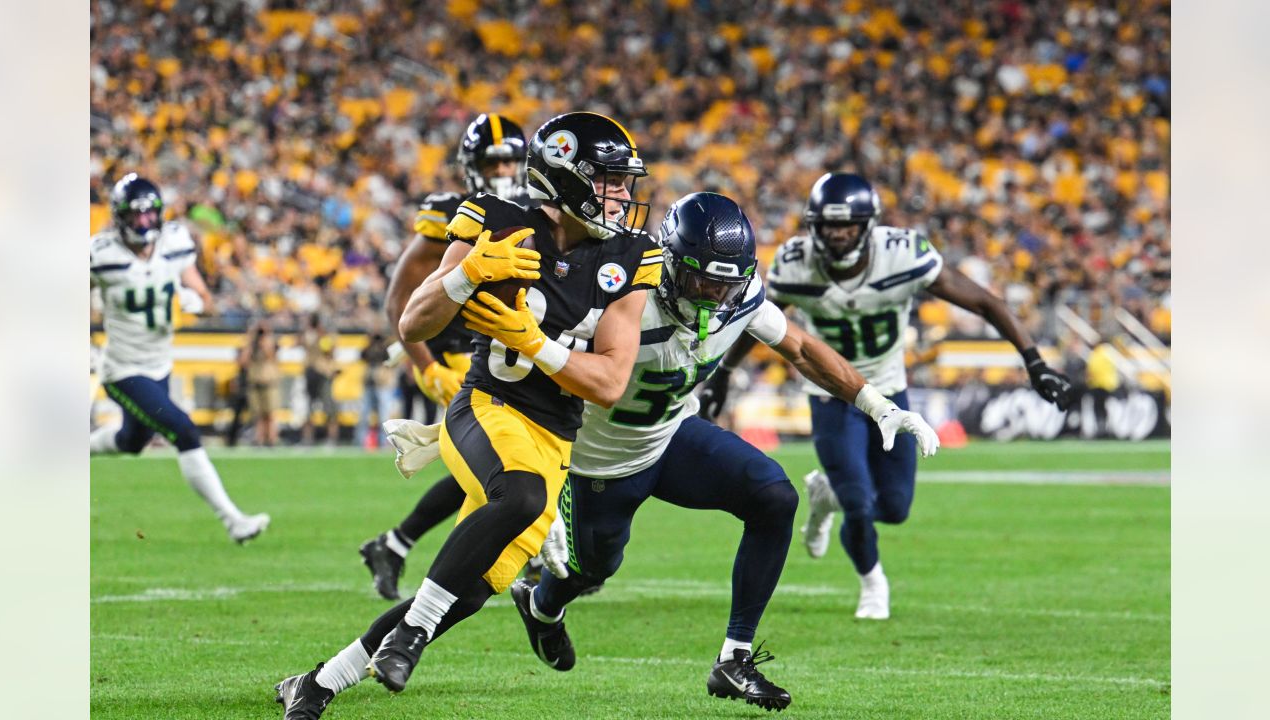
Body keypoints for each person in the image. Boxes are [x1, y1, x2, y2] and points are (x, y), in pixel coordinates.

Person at [274, 111, 660, 718]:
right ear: (567, 178)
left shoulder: (632, 257)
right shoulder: (496, 219)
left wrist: (537, 343)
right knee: (524, 498)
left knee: (470, 590)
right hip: (486, 405)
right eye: (608, 180)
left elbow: (610, 381)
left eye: (623, 181)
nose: (622, 195)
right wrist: (468, 275)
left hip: (555, 438)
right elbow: (412, 321)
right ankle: (411, 635)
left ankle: (319, 681)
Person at [513, 193, 939, 712]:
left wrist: (875, 403)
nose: (717, 294)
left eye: (728, 282)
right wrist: (543, 487)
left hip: (672, 434)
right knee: (589, 571)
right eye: (704, 280)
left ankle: (733, 661)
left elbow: (800, 347)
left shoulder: (740, 295)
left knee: (774, 497)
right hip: (600, 461)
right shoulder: (619, 296)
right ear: (670, 264)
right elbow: (535, 386)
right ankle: (541, 608)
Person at [700, 172, 1073, 620]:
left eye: (848, 225)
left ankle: (826, 496)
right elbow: (755, 316)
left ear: (869, 225)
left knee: (894, 508)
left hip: (889, 390)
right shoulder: (795, 263)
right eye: (829, 225)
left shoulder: (901, 255)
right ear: (813, 226)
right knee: (859, 501)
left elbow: (985, 303)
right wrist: (723, 374)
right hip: (830, 391)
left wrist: (1034, 361)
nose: (838, 235)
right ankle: (872, 582)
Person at [358, 113, 529, 600]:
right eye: (492, 161)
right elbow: (400, 298)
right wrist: (426, 365)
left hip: (514, 351)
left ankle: (394, 545)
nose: (502, 170)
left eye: (512, 160)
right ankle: (522, 566)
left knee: (492, 468)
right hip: (461, 355)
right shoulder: (458, 212)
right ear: (470, 166)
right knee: (504, 466)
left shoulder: (541, 207)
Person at [89, 172, 270, 543]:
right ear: (120, 217)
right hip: (122, 370)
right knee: (183, 430)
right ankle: (233, 519)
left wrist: (195, 302)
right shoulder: (100, 254)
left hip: (159, 364)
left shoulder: (174, 242)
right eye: (135, 215)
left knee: (131, 441)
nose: (143, 223)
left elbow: (205, 299)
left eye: (149, 214)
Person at [299, 314, 340, 445]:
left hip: (323, 374)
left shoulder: (325, 336)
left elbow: (330, 353)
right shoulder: (308, 335)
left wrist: (322, 335)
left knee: (328, 407)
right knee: (307, 408)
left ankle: (331, 439)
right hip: (310, 373)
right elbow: (299, 343)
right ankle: (307, 438)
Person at [243, 319, 280, 447]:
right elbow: (243, 361)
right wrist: (250, 341)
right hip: (255, 381)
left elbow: (272, 356)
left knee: (269, 413)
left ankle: (271, 439)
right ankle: (259, 439)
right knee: (257, 414)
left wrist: (265, 341)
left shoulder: (270, 342)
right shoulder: (251, 345)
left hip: (269, 381)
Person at [358, 331, 395, 448]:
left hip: (380, 384)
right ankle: (362, 440)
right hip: (370, 383)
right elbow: (362, 355)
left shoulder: (384, 350)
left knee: (383, 413)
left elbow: (389, 362)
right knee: (366, 413)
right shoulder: (369, 350)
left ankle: (384, 441)